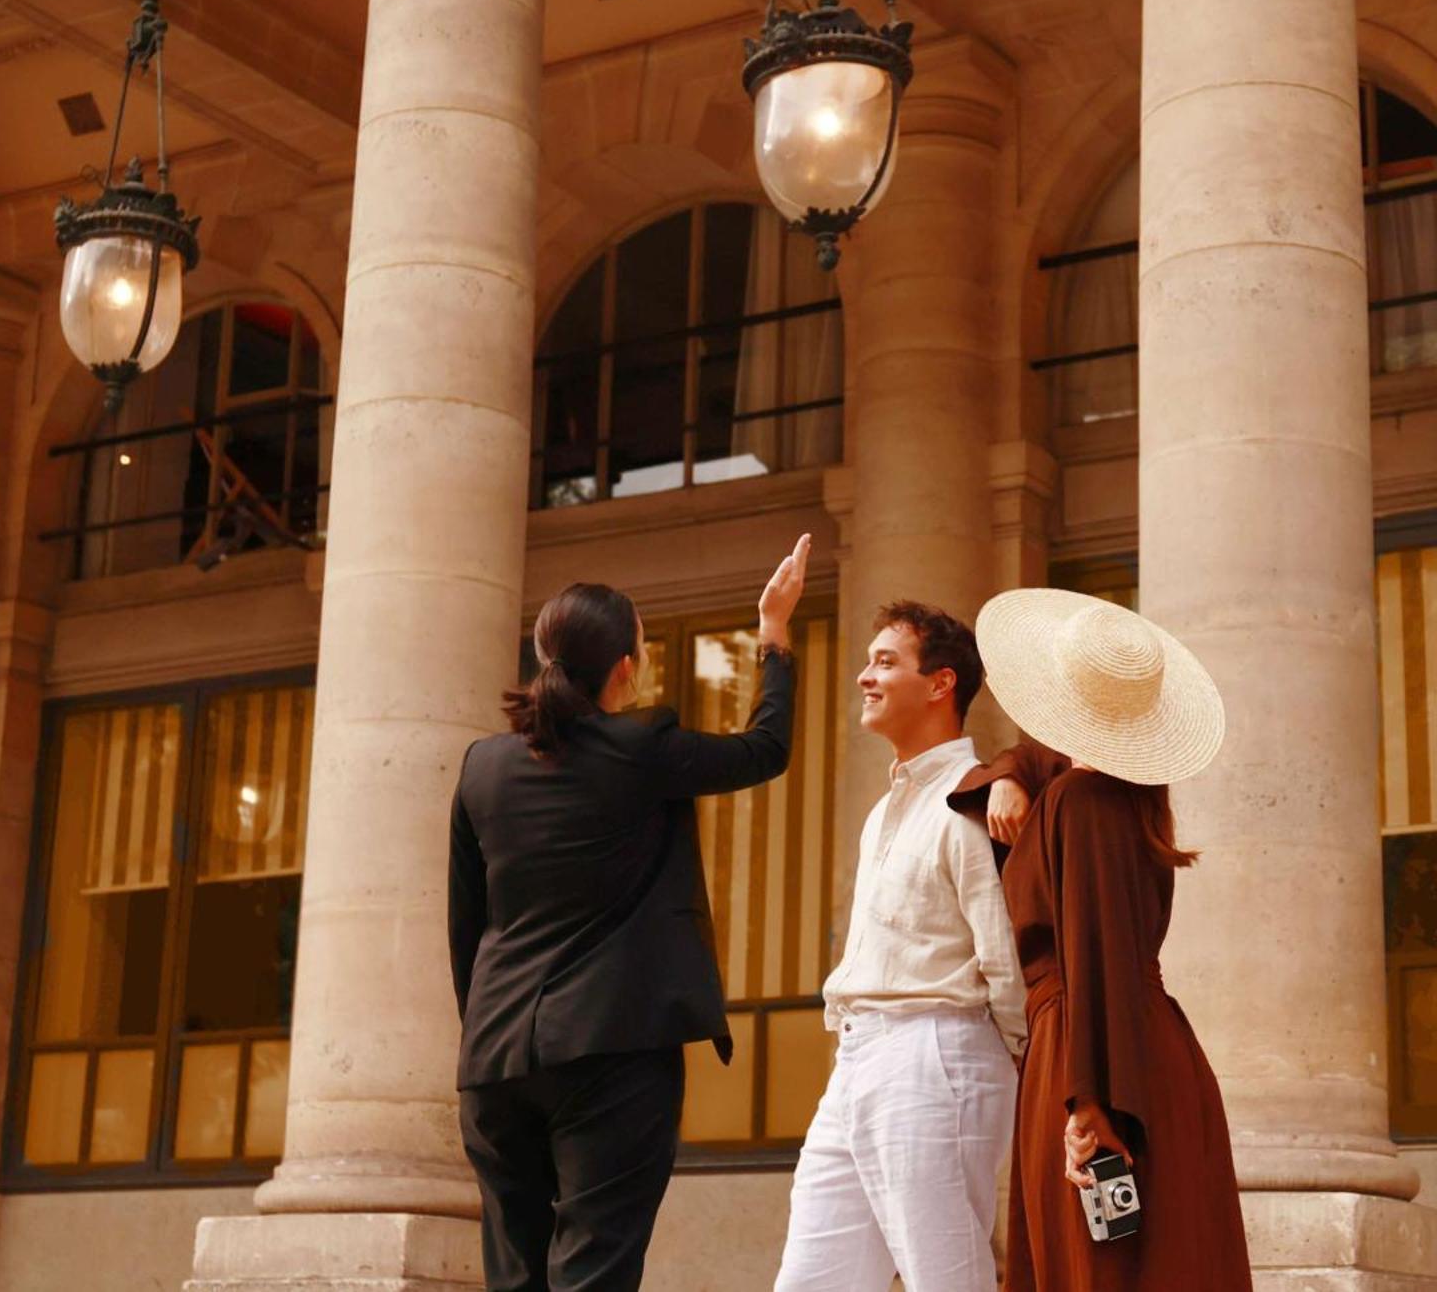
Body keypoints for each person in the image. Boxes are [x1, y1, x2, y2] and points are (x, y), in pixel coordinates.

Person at [449, 534, 812, 1292]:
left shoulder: (484, 763)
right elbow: (765, 748)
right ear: (625, 665)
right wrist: (773, 633)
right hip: (610, 1052)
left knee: (515, 1280)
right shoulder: (643, 746)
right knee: (595, 1272)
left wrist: (486, 1027)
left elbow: (467, 919)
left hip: (494, 1060)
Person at [950, 588, 1254, 1292]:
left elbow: (1095, 954)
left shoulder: (1081, 802)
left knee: (1099, 1268)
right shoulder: (1130, 802)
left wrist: (1089, 1102)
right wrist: (1009, 774)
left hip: (1090, 1056)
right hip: (1133, 1049)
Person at [772, 601, 1027, 1292]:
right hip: (858, 1055)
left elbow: (1002, 960)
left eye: (886, 661)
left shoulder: (970, 801)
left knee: (946, 1278)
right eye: (867, 661)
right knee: (810, 1280)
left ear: (941, 684)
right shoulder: (884, 808)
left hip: (938, 1051)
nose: (864, 676)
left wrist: (1009, 1059)